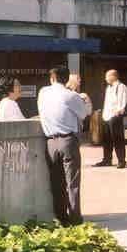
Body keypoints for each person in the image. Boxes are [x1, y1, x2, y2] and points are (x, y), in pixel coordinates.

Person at [37, 66, 90, 225]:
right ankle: (75, 218)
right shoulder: (71, 96)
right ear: (66, 79)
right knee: (72, 183)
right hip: (68, 141)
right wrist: (84, 100)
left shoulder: (43, 93)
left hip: (50, 142)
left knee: (56, 182)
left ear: (52, 78)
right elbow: (84, 114)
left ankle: (60, 217)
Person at [96, 69, 127, 168]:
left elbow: (123, 101)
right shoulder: (108, 88)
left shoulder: (121, 87)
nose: (105, 79)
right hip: (106, 116)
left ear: (113, 76)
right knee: (106, 139)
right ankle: (107, 159)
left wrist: (118, 113)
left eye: (107, 76)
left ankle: (121, 160)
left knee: (118, 139)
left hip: (115, 116)